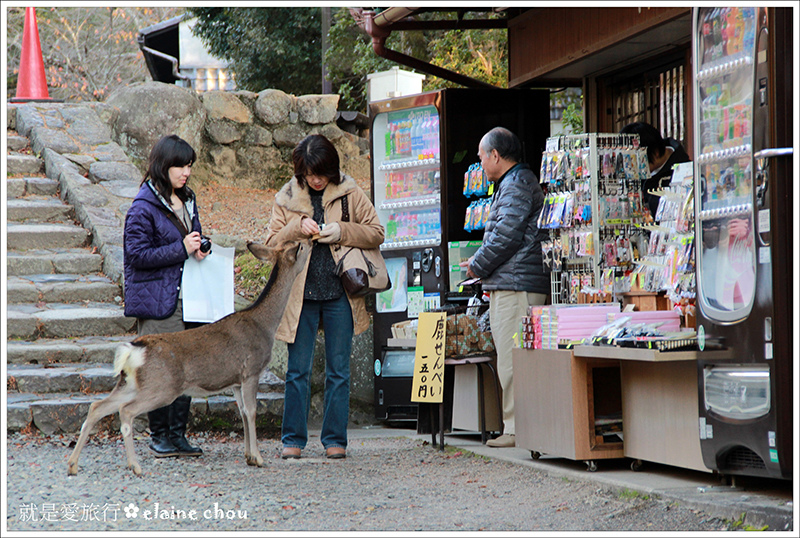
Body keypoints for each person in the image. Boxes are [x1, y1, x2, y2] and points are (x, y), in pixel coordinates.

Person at [265, 134, 384, 460]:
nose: (316, 180)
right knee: (297, 371)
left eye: (321, 173)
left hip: (340, 295)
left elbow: (377, 231)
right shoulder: (286, 197)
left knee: (339, 371)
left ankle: (335, 440)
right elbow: (271, 244)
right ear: (300, 170)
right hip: (299, 297)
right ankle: (292, 439)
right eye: (309, 173)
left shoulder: (350, 191)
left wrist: (342, 231)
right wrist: (296, 228)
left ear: (332, 169)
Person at [123, 134, 210, 458]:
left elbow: (193, 235)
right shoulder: (143, 207)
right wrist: (180, 249)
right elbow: (136, 255)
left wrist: (200, 246)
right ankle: (159, 435)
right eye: (180, 166)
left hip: (192, 297)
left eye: (189, 166)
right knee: (161, 370)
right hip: (160, 302)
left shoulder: (187, 198)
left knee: (187, 369)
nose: (186, 172)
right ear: (164, 166)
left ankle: (178, 435)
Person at [464, 127, 549, 448]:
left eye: (482, 156)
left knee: (513, 358)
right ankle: (516, 426)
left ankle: (515, 428)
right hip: (516, 281)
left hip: (516, 284)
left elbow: (505, 237)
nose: (481, 162)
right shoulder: (515, 182)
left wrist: (476, 265)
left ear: (496, 156)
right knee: (514, 356)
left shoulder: (515, 185)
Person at [620, 121, 691, 217]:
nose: (632, 166)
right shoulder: (636, 176)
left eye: (637, 160)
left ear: (655, 153)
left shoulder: (685, 172)